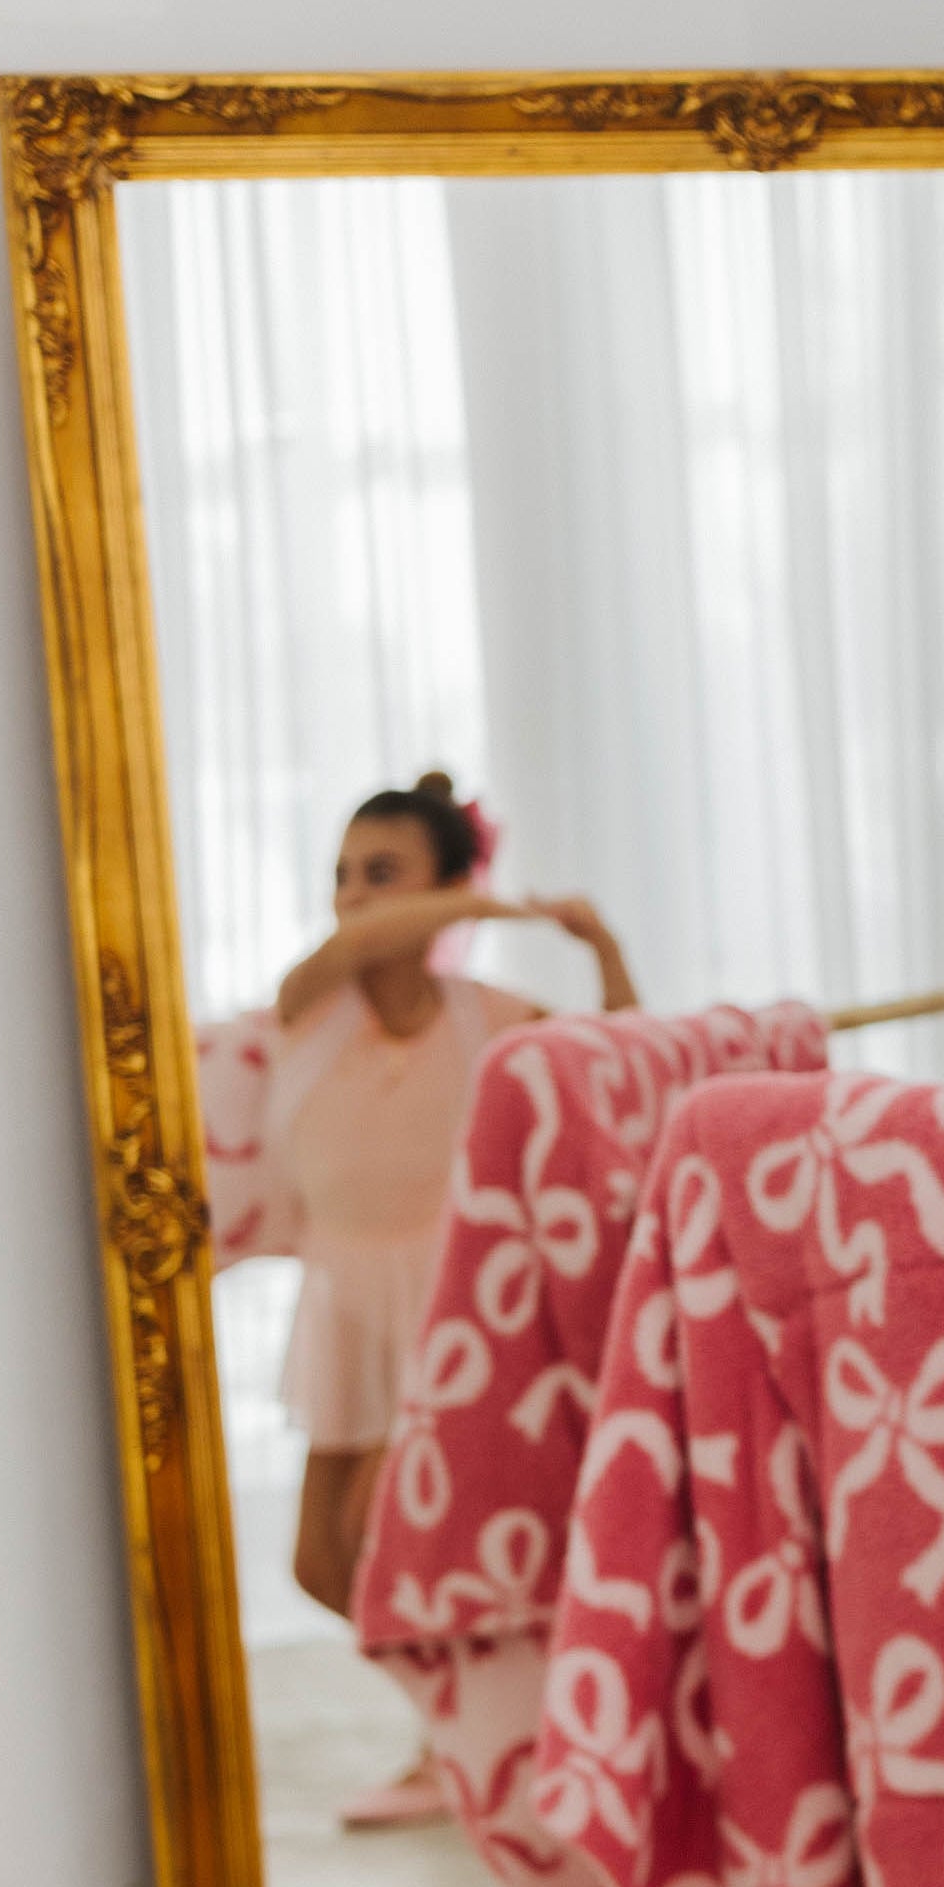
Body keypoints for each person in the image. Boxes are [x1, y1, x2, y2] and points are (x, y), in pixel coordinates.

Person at [268, 777, 635, 1824]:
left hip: (451, 1308)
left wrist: (600, 948)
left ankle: (454, 1746)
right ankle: (472, 1717)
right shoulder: (310, 1000)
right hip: (344, 1299)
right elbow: (348, 948)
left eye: (379, 873)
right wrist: (486, 904)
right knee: (319, 1559)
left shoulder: (488, 1017)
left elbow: (616, 1061)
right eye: (342, 873)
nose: (351, 898)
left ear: (441, 880)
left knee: (399, 1545)